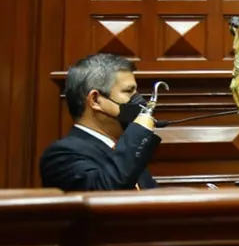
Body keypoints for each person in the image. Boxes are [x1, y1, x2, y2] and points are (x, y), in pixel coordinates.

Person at [39, 53, 160, 191]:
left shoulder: (124, 150)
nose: (139, 100)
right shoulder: (61, 155)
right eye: (128, 91)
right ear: (95, 100)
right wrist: (138, 131)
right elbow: (105, 191)